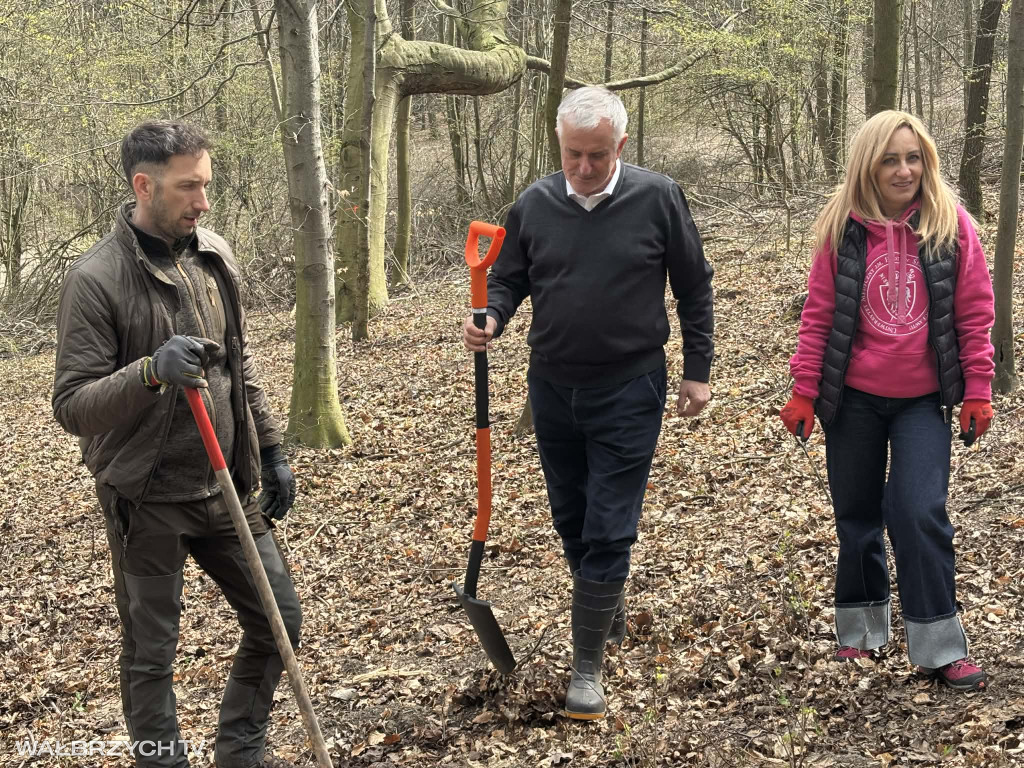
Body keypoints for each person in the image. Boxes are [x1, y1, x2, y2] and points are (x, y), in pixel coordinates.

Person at [53, 121, 302, 767]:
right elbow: (73, 405)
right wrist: (148, 372)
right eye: (190, 186)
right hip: (148, 499)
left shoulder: (213, 254)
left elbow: (237, 364)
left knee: (280, 624)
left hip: (226, 490)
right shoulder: (96, 279)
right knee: (151, 656)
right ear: (145, 185)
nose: (204, 200)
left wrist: (270, 448)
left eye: (207, 184)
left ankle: (239, 751)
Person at [463, 86, 714, 719]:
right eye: (573, 154)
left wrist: (697, 370)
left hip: (631, 385)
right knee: (572, 517)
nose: (584, 167)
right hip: (552, 385)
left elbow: (693, 286)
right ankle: (606, 600)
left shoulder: (658, 198)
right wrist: (491, 315)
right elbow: (511, 277)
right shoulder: (534, 205)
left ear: (620, 146)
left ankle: (586, 668)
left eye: (597, 155)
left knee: (609, 522)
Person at [780, 110, 994, 692]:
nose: (905, 170)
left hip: (922, 401)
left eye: (914, 157)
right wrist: (804, 391)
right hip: (853, 401)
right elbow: (819, 316)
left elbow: (976, 314)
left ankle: (939, 644)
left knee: (919, 510)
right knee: (857, 516)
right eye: (890, 159)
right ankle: (862, 631)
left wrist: (978, 387)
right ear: (868, 167)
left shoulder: (952, 226)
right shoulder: (840, 230)